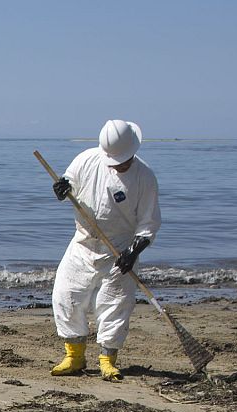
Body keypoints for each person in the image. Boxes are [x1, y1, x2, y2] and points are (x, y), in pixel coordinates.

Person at [49, 119, 161, 382]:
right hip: (83, 242)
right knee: (67, 295)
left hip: (120, 248)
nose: (117, 165)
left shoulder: (145, 176)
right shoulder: (87, 159)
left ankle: (107, 359)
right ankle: (74, 356)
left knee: (115, 304)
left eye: (122, 160)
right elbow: (68, 184)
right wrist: (61, 189)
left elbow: (149, 222)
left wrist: (134, 251)